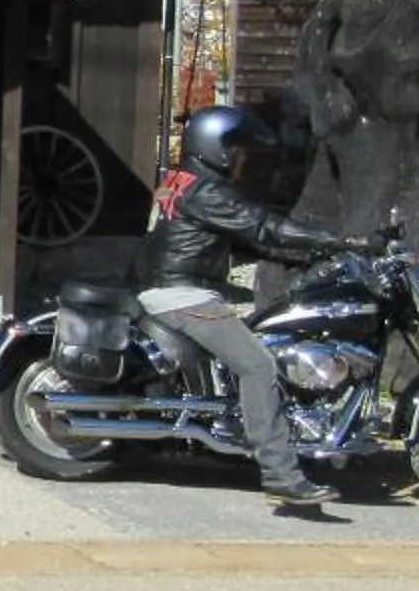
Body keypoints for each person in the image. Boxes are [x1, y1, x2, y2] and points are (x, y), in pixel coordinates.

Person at [138, 104, 341, 507]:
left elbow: (241, 235)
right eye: (238, 149)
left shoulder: (179, 181)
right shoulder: (205, 190)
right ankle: (280, 473)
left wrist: (300, 258)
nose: (241, 160)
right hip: (184, 293)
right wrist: (338, 241)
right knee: (259, 365)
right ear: (218, 147)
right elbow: (263, 225)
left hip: (172, 286)